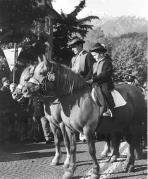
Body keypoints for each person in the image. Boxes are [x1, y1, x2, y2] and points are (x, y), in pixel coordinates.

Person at [69, 36, 95, 141]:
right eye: (71, 47)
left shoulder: (87, 55)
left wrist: (84, 81)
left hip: (86, 83)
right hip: (74, 85)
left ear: (80, 46)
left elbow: (92, 70)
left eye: (74, 47)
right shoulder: (73, 58)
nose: (72, 49)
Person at [90, 43, 115, 117]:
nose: (94, 57)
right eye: (93, 56)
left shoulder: (107, 62)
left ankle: (111, 109)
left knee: (105, 91)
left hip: (105, 82)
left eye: (95, 55)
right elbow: (92, 74)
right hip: (96, 83)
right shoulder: (94, 64)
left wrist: (93, 79)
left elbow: (105, 74)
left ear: (101, 54)